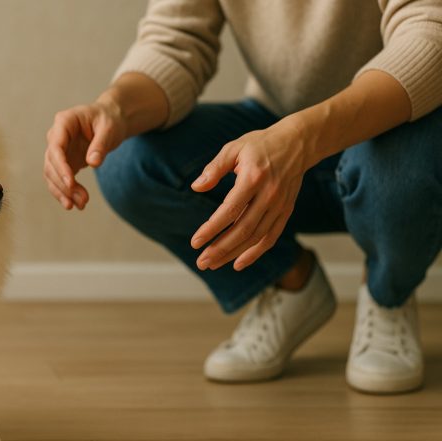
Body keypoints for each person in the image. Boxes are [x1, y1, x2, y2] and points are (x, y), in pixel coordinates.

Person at [43, 0, 441, 394]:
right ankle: (290, 284)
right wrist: (112, 109)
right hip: (275, 123)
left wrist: (302, 137)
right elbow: (175, 39)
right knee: (126, 160)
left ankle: (388, 291)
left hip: (396, 130)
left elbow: (429, 33)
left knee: (403, 172)